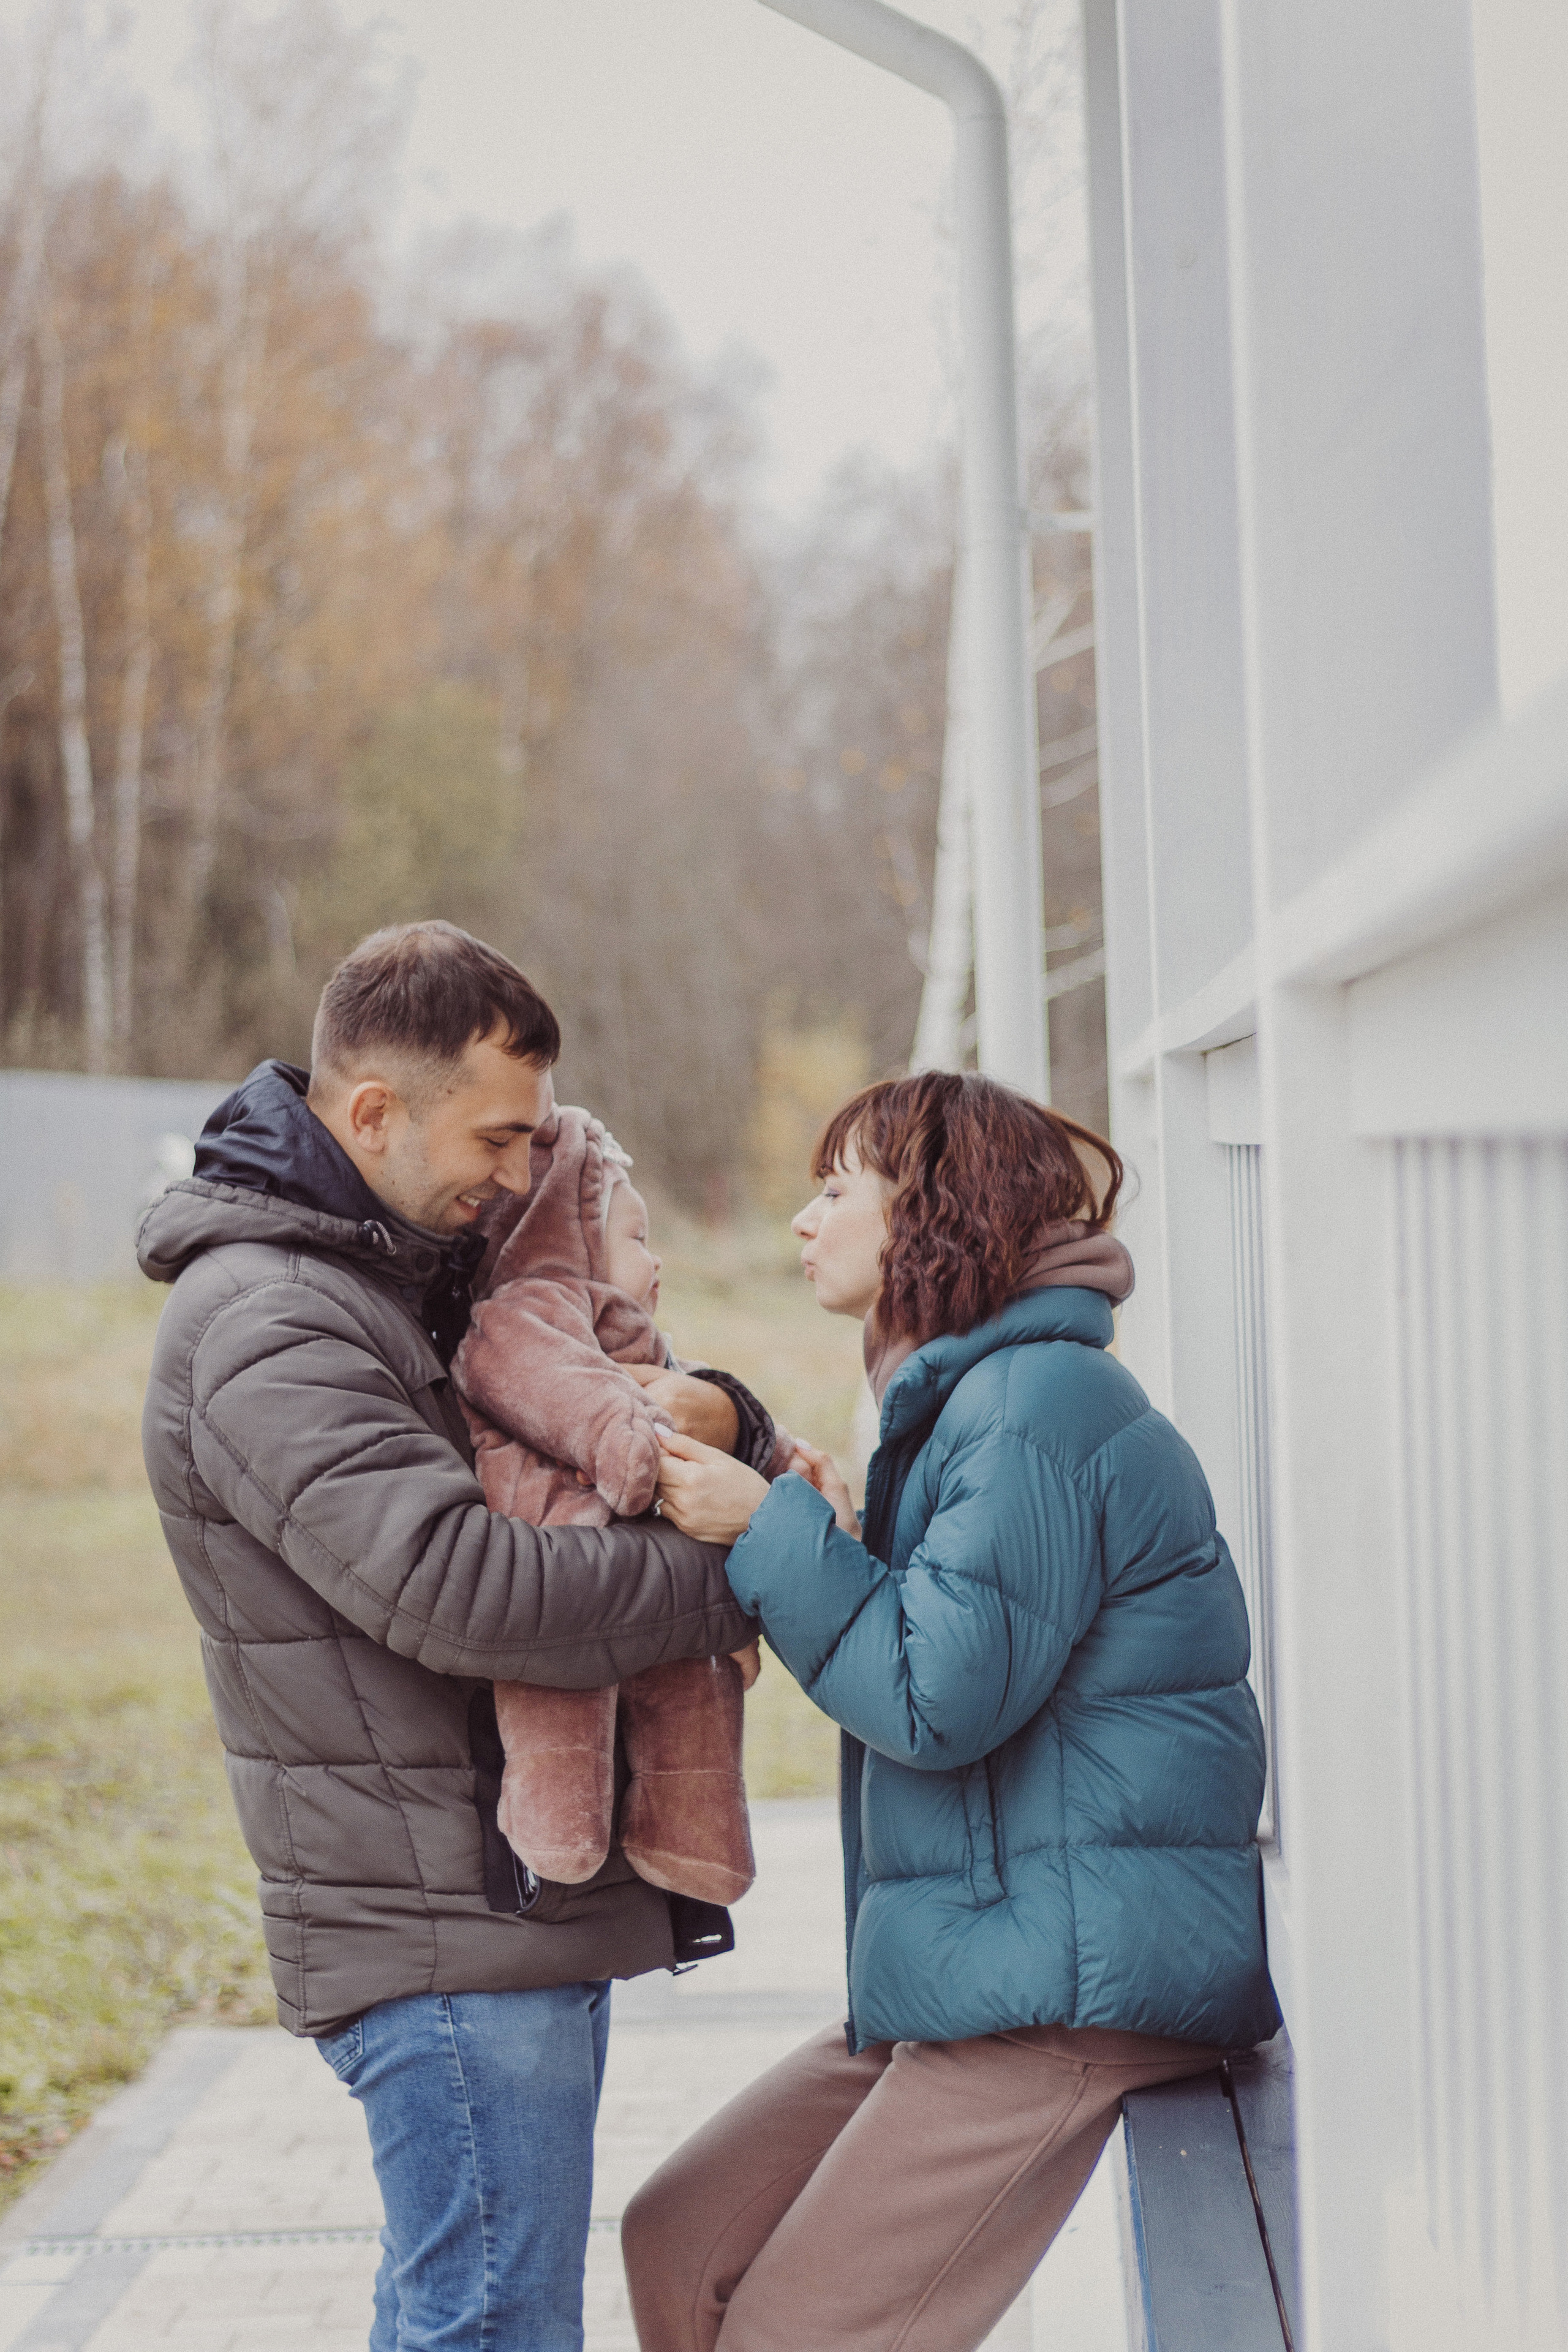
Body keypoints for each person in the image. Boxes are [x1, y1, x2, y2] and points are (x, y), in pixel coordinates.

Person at [137, 921, 778, 2352]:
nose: (515, 1176)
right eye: (495, 1139)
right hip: (442, 1937)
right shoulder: (269, 1320)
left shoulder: (396, 1275)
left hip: (495, 1918)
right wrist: (749, 1574)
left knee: (467, 2314)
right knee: (488, 2325)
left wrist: (728, 1421)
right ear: (372, 1112)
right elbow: (463, 1588)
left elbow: (593, 1398)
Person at [625, 1071, 1280, 2352]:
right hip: (991, 1961)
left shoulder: (1037, 1407)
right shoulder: (977, 1404)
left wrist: (773, 1532)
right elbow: (980, 1638)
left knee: (787, 2336)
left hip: (1074, 1986)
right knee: (679, 2236)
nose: (803, 1223)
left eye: (835, 1189)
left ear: (929, 1211)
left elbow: (934, 1701)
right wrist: (838, 1535)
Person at [451, 1099, 777, 1907]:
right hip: (559, 1558)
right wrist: (626, 1438)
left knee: (692, 1694)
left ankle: (696, 1836)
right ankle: (557, 1827)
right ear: (568, 1240)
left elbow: (726, 1435)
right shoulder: (526, 1313)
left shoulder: (653, 1349)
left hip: (658, 1582)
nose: (656, 1259)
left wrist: (778, 1459)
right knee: (561, 1710)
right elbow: (547, 1385)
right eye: (635, 1239)